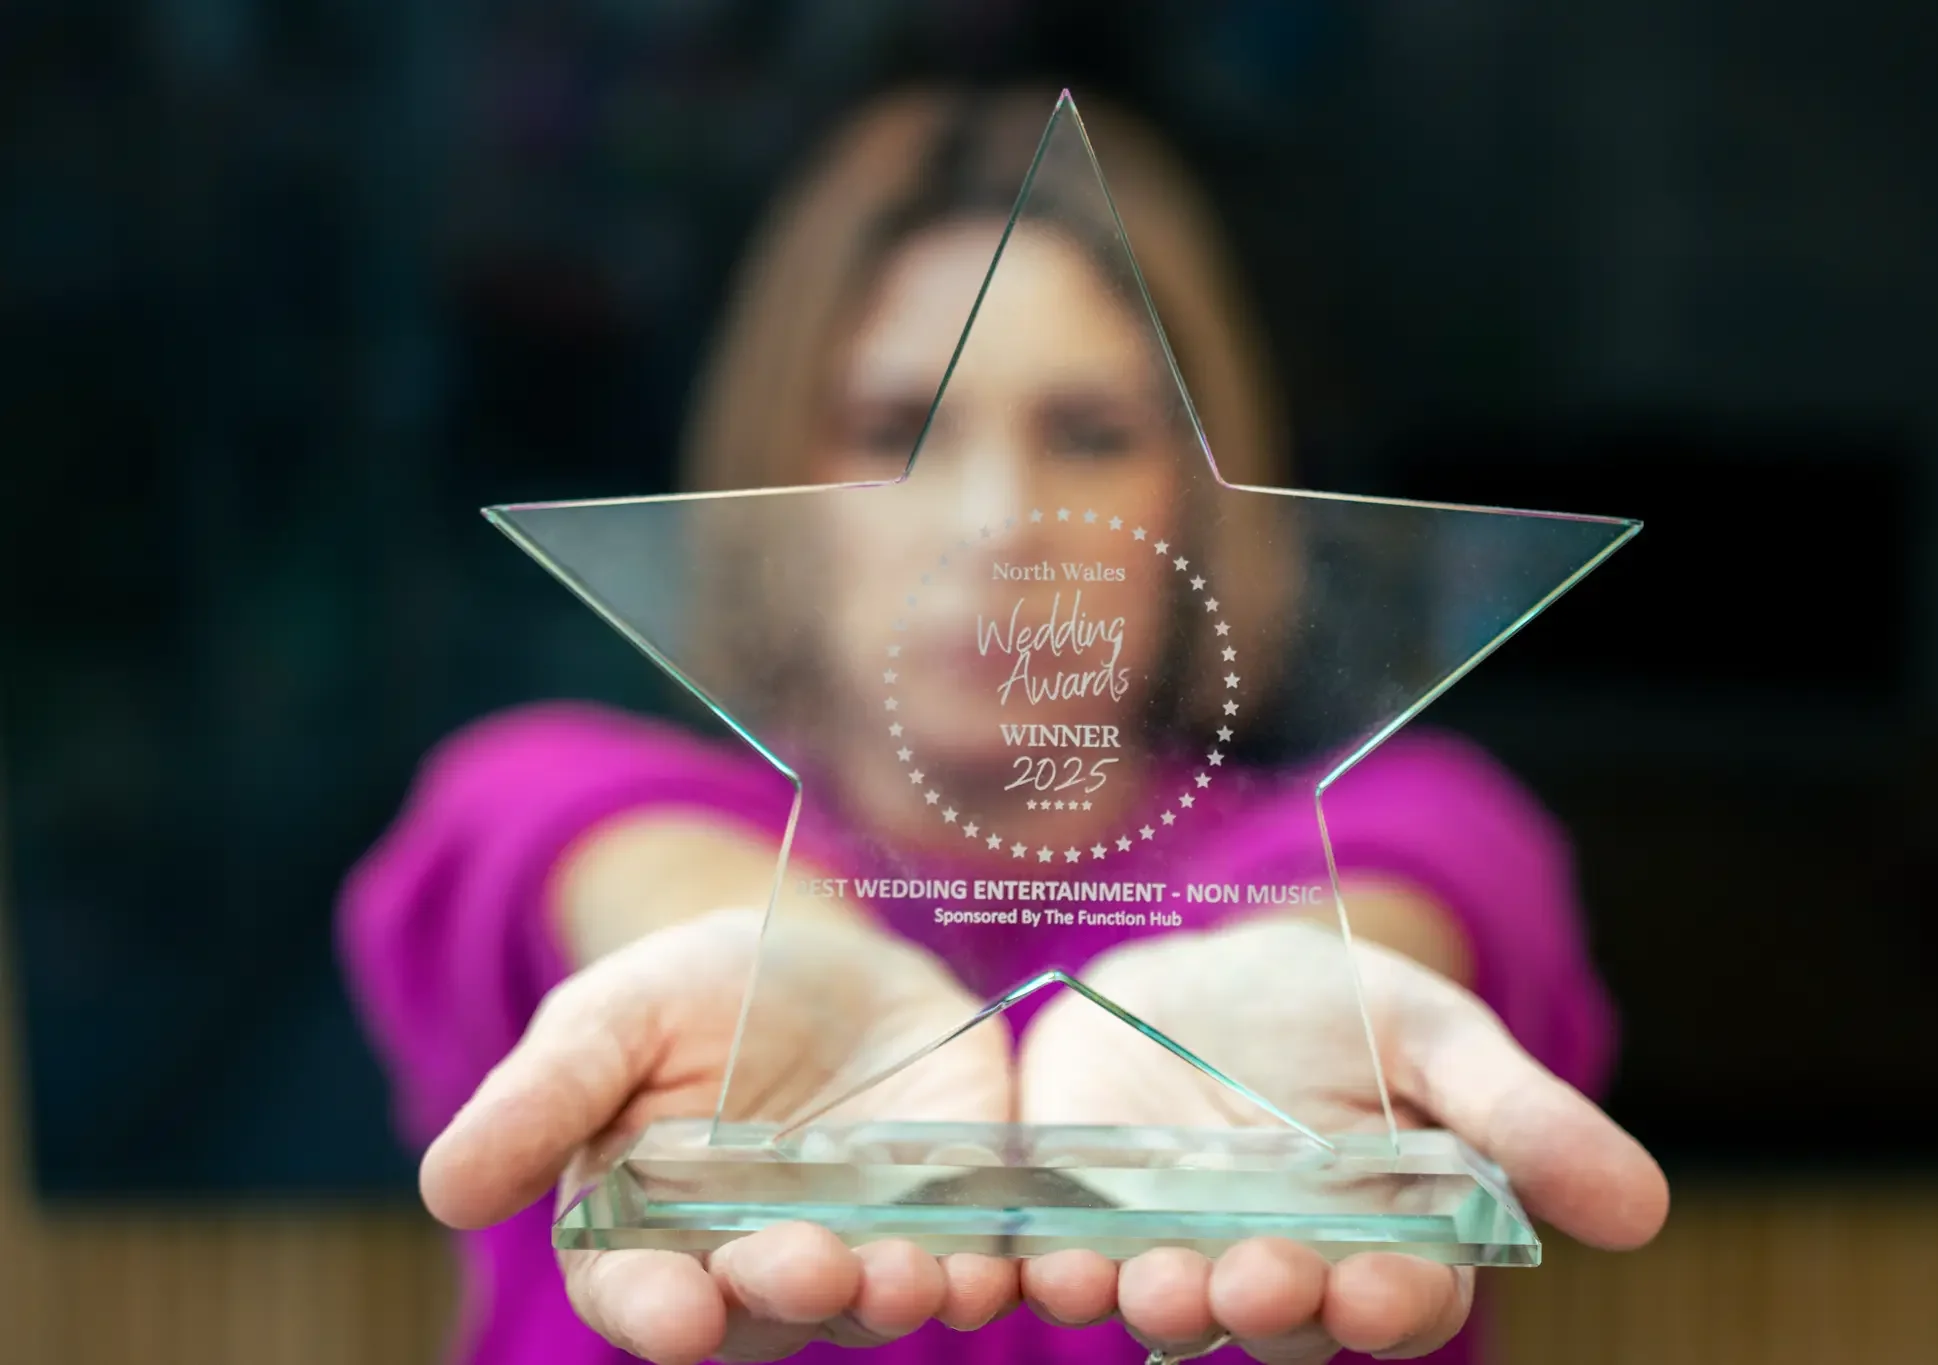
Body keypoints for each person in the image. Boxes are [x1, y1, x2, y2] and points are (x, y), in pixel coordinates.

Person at [339, 86, 1667, 1365]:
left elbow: (1423, 889)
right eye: (898, 427)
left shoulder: (1402, 833)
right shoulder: (584, 810)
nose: (1003, 527)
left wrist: (1306, 984)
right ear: (778, 472)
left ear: (1198, 494)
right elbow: (562, 839)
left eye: (1089, 434)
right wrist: (763, 946)